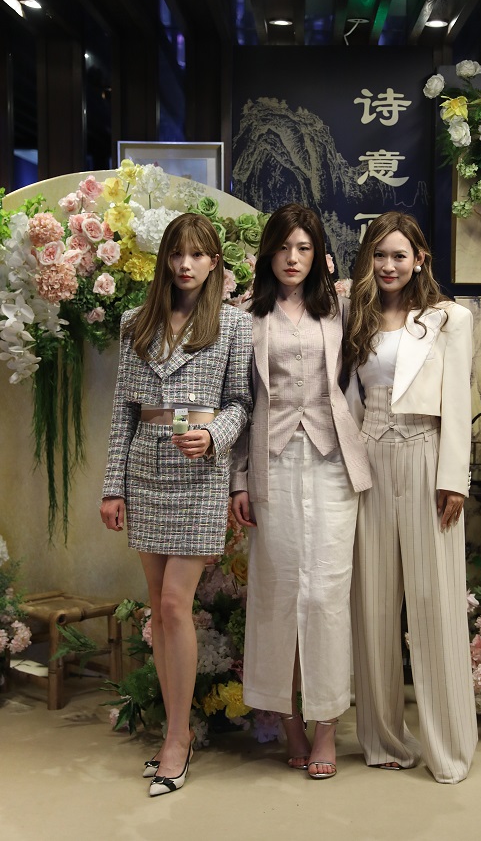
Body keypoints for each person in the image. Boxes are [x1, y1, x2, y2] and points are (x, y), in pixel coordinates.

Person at [100, 212, 252, 797]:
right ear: (165, 260)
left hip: (198, 471)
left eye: (197, 255)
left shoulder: (233, 324)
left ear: (214, 262)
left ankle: (177, 739)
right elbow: (123, 412)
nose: (185, 265)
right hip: (146, 468)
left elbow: (241, 403)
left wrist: (213, 435)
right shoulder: (135, 321)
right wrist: (112, 487)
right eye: (176, 254)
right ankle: (175, 728)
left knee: (173, 602)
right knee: (159, 610)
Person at [230, 203, 371, 780]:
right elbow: (239, 403)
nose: (293, 258)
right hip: (273, 462)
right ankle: (288, 719)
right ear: (268, 252)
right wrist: (239, 479)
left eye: (305, 248)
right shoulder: (245, 316)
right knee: (279, 591)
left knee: (327, 595)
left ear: (320, 255)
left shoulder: (341, 308)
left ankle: (326, 725)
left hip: (333, 462)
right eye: (284, 247)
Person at [343, 210, 477, 784]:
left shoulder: (449, 318)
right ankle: (384, 739)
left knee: (435, 604)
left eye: (399, 255)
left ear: (420, 259)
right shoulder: (354, 315)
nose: (388, 265)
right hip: (367, 461)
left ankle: (448, 747)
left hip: (427, 458)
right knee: (372, 605)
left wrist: (454, 479)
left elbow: (459, 404)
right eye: (379, 254)